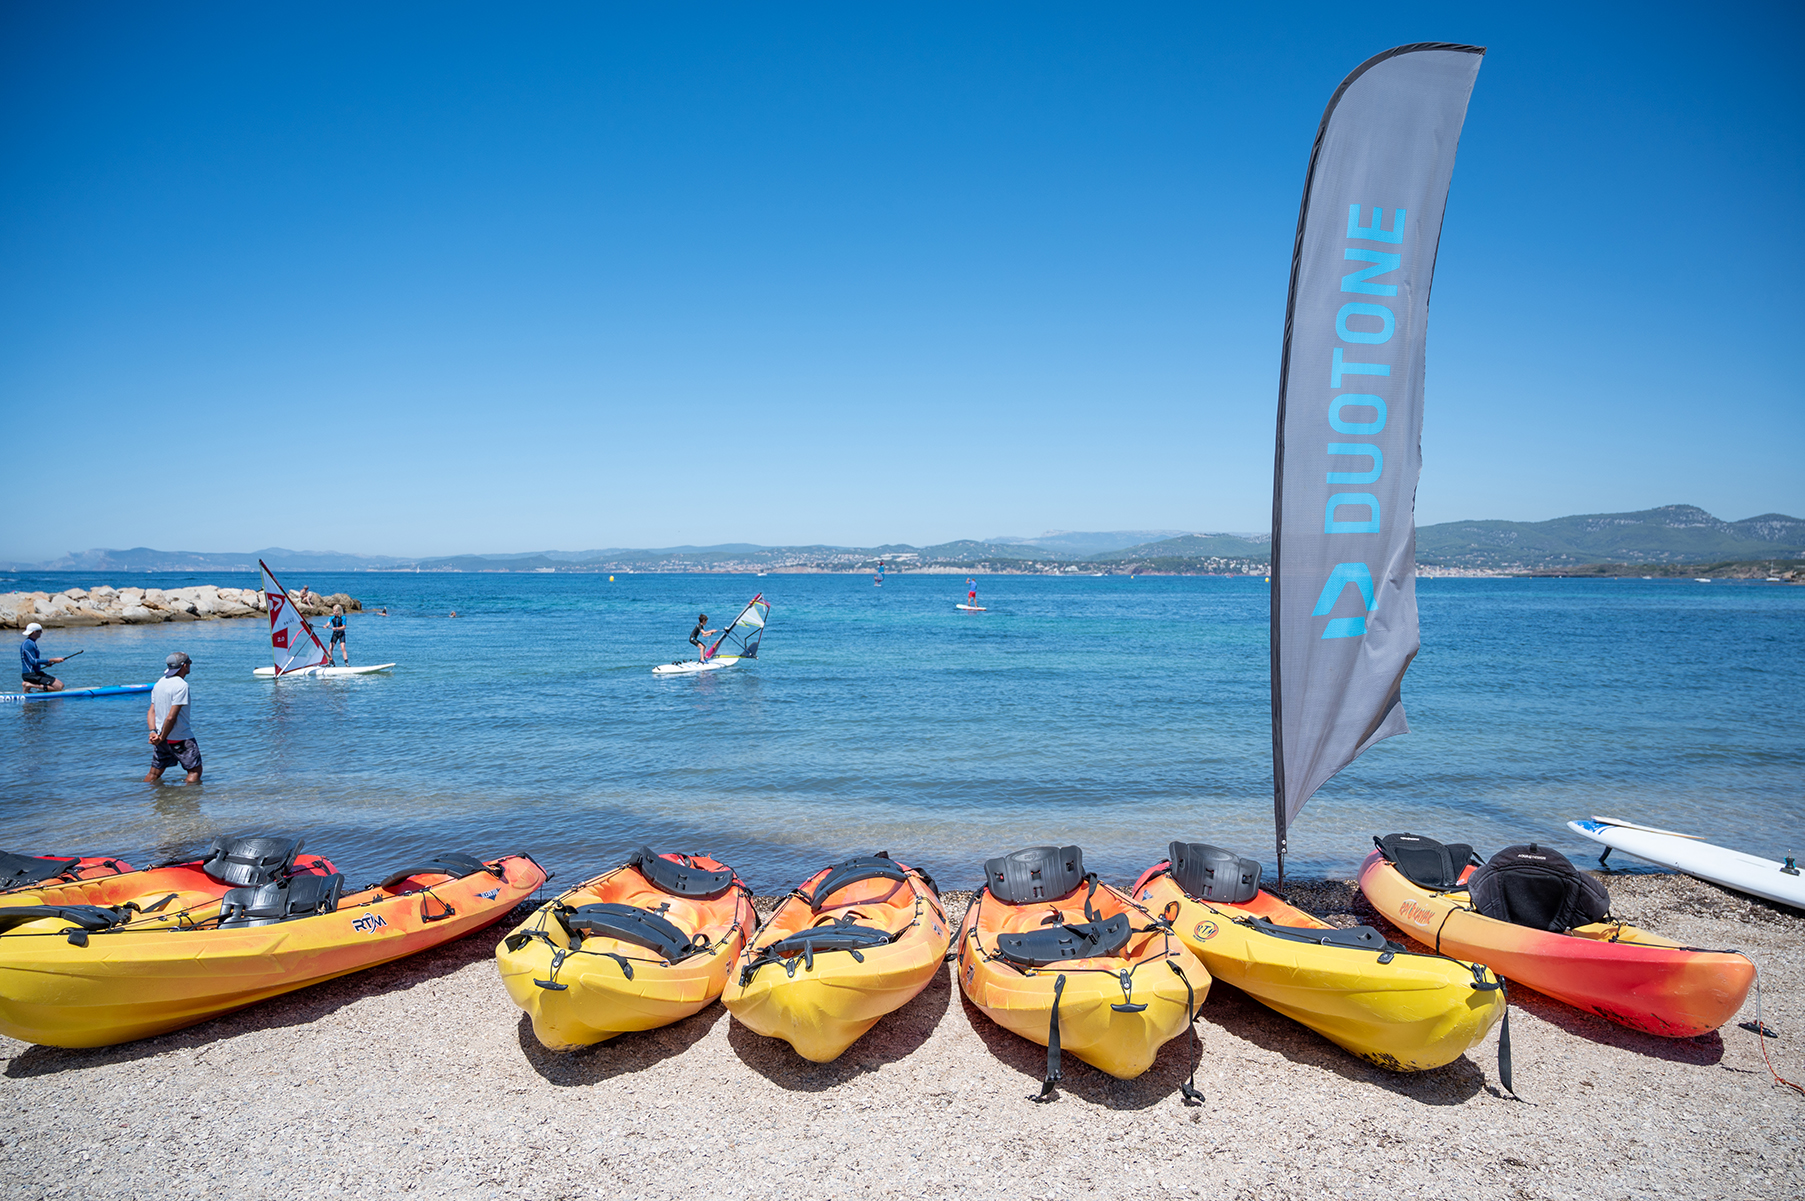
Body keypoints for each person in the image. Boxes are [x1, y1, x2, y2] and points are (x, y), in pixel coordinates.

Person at [145, 652, 201, 784]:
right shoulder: (181, 686)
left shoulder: (160, 683)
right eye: (189, 663)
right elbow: (171, 717)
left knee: (154, 772)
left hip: (160, 737)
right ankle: (188, 802)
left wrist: (153, 732)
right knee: (194, 771)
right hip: (179, 739)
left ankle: (145, 797)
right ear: (184, 666)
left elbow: (151, 711)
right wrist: (163, 737)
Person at [18, 623, 67, 692]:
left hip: (37, 673)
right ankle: (28, 685)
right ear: (35, 632)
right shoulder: (28, 644)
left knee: (61, 685)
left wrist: (46, 664)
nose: (41, 633)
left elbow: (33, 661)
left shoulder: (32, 642)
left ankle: (31, 688)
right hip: (30, 674)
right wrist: (53, 660)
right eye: (40, 631)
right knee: (58, 687)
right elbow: (33, 661)